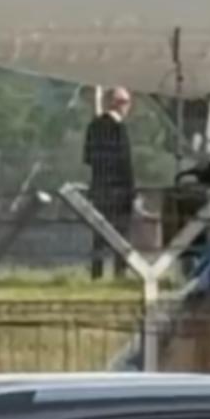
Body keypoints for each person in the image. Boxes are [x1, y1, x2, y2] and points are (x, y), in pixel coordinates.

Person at [83, 87, 135, 280]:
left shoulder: (93, 127)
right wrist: (131, 190)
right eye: (126, 102)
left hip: (100, 187)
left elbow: (88, 158)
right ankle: (120, 273)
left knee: (99, 234)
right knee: (121, 233)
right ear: (117, 104)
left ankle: (97, 272)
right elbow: (125, 163)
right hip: (120, 189)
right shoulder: (119, 128)